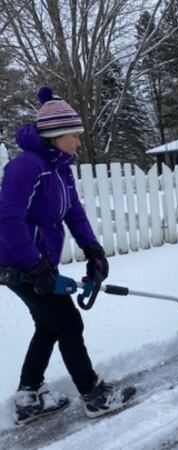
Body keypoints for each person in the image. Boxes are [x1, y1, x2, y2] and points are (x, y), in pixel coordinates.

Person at [0, 86, 135, 424]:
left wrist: (93, 250)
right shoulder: (26, 166)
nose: (77, 141)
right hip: (19, 263)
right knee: (68, 322)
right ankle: (93, 395)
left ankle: (28, 398)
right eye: (74, 135)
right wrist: (34, 266)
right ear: (56, 135)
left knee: (49, 325)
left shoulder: (60, 167)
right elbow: (8, 220)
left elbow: (74, 212)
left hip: (40, 263)